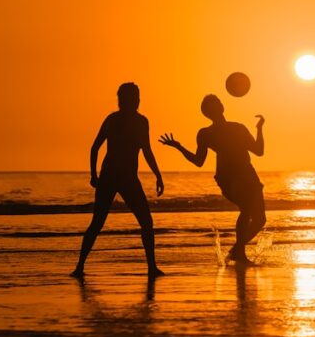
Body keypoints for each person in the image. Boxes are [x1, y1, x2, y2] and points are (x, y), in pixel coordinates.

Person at [71, 82, 165, 279]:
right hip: (116, 177)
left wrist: (158, 174)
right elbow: (95, 147)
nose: (137, 100)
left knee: (142, 222)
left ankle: (151, 268)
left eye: (138, 96)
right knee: (102, 223)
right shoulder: (122, 120)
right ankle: (79, 266)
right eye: (134, 97)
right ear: (125, 99)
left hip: (120, 177)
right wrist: (93, 175)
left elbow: (145, 150)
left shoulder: (133, 121)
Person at [159, 95, 266, 266]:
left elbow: (259, 151)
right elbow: (199, 161)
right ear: (207, 113)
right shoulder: (206, 133)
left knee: (260, 220)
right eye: (213, 106)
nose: (217, 107)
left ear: (222, 106)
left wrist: (259, 129)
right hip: (228, 177)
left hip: (248, 174)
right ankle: (240, 253)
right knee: (246, 209)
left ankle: (236, 250)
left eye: (217, 103)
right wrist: (178, 147)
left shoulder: (238, 128)